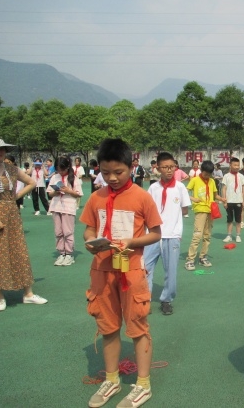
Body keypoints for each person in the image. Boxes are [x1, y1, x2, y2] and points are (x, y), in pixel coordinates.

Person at [80, 138, 162, 408]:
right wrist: (90, 241)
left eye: (119, 172)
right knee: (108, 326)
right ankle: (112, 379)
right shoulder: (96, 197)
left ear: (131, 166)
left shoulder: (142, 196)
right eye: (105, 173)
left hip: (131, 270)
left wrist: (130, 242)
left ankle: (143, 384)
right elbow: (89, 228)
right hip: (102, 270)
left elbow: (155, 234)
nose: (112, 178)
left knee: (138, 326)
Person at [0, 139, 48, 312]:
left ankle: (28, 293)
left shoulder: (12, 169)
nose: (0, 152)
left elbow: (32, 182)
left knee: (19, 249)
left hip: (11, 212)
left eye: (3, 149)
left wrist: (17, 195)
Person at [143, 152, 191, 315]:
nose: (169, 170)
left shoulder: (180, 187)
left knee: (171, 271)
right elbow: (147, 210)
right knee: (145, 268)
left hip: (172, 234)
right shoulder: (153, 188)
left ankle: (166, 300)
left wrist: (174, 225)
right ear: (158, 168)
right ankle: (145, 300)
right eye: (165, 167)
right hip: (152, 235)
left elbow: (184, 208)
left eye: (172, 167)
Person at [185, 160, 226, 271]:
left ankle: (203, 256)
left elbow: (215, 195)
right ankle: (190, 259)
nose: (207, 176)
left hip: (210, 210)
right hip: (200, 210)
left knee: (207, 235)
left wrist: (221, 199)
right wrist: (193, 199)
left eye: (209, 174)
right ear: (201, 170)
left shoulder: (212, 181)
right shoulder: (195, 180)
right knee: (197, 235)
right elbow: (184, 192)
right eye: (205, 173)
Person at [46, 156, 83, 266]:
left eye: (62, 169)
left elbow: (78, 194)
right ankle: (61, 253)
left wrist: (68, 190)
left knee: (68, 231)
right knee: (58, 231)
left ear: (67, 167)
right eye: (58, 169)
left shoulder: (73, 178)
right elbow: (49, 193)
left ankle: (69, 254)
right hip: (56, 206)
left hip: (68, 207)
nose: (60, 171)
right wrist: (55, 192)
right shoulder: (54, 177)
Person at [222, 157, 244, 243]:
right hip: (229, 201)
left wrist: (243, 201)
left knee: (238, 220)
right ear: (230, 165)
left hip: (238, 201)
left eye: (238, 165)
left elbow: (243, 189)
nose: (236, 167)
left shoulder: (241, 176)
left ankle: (238, 235)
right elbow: (224, 188)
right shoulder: (226, 176)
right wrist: (224, 201)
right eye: (235, 165)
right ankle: (229, 235)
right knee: (229, 219)